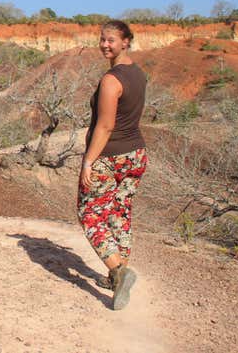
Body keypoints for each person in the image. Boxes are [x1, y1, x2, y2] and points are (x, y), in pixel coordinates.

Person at [77, 20, 148, 311]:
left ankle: (120, 272)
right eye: (102, 39)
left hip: (109, 156)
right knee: (120, 213)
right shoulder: (138, 74)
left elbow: (105, 126)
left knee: (90, 215)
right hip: (136, 154)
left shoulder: (111, 80)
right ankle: (116, 274)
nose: (105, 45)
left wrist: (88, 162)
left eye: (111, 40)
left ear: (126, 42)